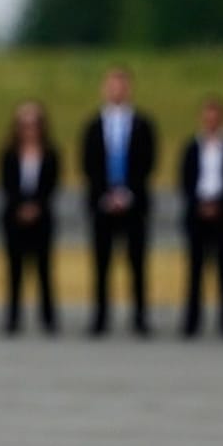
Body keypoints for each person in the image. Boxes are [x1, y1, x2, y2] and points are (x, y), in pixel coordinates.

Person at [81, 65, 157, 337]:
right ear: (104, 88)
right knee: (101, 263)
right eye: (113, 84)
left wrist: (127, 193)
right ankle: (100, 317)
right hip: (103, 202)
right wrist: (106, 193)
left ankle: (139, 317)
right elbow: (89, 164)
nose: (118, 90)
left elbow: (148, 162)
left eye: (122, 84)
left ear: (130, 88)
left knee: (137, 263)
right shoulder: (93, 124)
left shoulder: (142, 124)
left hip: (133, 202)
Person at [178, 96, 223, 338]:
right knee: (194, 270)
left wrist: (219, 205)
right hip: (198, 212)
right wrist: (199, 205)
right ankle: (192, 321)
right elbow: (185, 180)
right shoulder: (193, 147)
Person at [0, 100, 60, 335]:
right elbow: (7, 185)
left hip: (42, 218)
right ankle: (13, 318)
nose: (29, 129)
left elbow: (52, 185)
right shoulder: (9, 154)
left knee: (44, 269)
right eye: (24, 124)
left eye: (34, 123)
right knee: (14, 269)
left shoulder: (51, 154)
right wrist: (21, 207)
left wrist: (36, 207)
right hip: (14, 218)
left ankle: (48, 318)